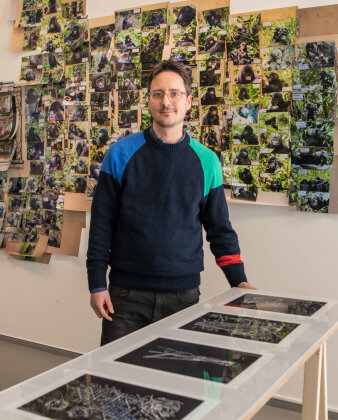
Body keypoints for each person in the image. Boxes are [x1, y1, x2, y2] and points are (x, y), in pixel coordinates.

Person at [87, 60, 256, 346]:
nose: (166, 102)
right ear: (148, 101)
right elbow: (102, 223)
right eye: (157, 94)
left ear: (188, 101)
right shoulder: (119, 154)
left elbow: (219, 230)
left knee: (177, 384)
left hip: (183, 297)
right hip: (125, 298)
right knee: (114, 387)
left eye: (175, 93)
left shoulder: (207, 161)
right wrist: (97, 283)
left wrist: (238, 281)